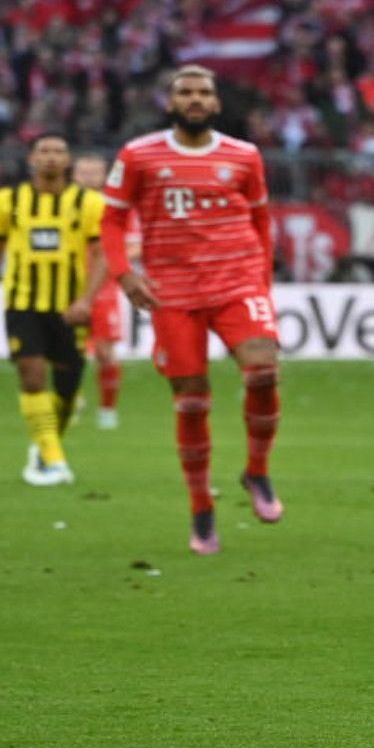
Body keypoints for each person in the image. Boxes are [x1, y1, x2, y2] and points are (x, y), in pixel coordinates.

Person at [96, 65, 283, 555]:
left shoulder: (244, 155)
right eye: (185, 92)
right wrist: (124, 274)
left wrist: (262, 285)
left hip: (237, 282)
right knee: (192, 401)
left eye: (203, 92)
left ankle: (257, 471)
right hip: (173, 292)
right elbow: (112, 220)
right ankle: (201, 508)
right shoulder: (138, 155)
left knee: (263, 371)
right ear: (171, 103)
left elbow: (261, 221)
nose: (195, 99)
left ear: (216, 103)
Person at [0, 133, 106, 486]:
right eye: (44, 151)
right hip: (22, 303)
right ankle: (55, 460)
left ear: (68, 160)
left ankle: (44, 446)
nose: (51, 157)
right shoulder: (8, 200)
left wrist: (86, 301)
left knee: (67, 391)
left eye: (59, 151)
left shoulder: (89, 203)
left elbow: (103, 254)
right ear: (31, 159)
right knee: (31, 375)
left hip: (69, 308)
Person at [73, 153, 138, 429]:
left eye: (94, 172)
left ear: (105, 175)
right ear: (73, 175)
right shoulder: (63, 205)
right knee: (66, 349)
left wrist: (109, 262)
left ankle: (107, 410)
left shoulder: (116, 206)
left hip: (104, 288)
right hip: (68, 285)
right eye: (83, 171)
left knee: (104, 351)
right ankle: (73, 400)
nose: (88, 177)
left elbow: (135, 246)